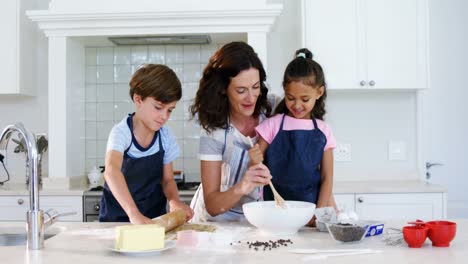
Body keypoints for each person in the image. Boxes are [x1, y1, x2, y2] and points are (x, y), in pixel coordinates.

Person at [189, 42, 279, 222]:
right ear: (223, 89)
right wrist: (243, 185)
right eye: (241, 90)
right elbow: (213, 205)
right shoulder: (214, 131)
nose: (251, 97)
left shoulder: (271, 108)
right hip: (214, 224)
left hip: (253, 218)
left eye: (255, 87)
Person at [249, 48, 336, 224]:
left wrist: (318, 214)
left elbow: (327, 178)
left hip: (310, 211)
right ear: (284, 91)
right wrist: (254, 159)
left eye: (305, 99)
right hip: (274, 211)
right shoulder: (273, 124)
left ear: (319, 93)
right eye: (290, 98)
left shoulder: (323, 130)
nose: (297, 105)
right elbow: (257, 166)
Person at [99, 64, 193, 224]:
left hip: (154, 220)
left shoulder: (165, 136)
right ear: (138, 99)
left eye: (170, 110)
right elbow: (111, 171)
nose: (164, 116)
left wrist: (174, 201)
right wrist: (133, 213)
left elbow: (168, 180)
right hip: (115, 221)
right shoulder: (121, 133)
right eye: (158, 107)